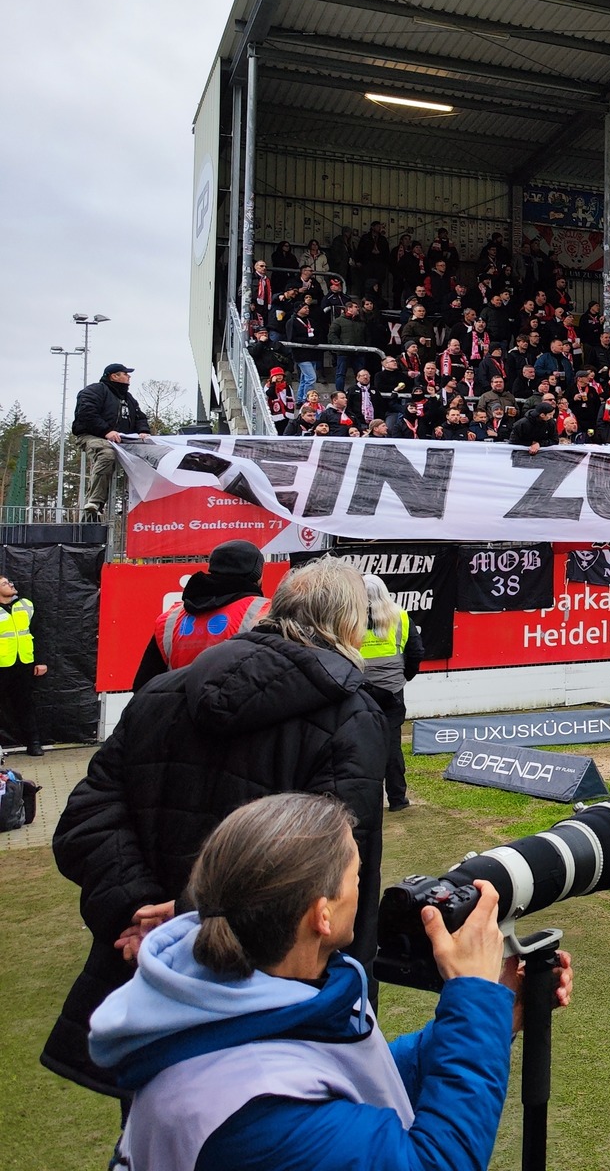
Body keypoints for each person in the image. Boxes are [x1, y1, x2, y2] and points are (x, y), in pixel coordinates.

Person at [44, 558, 387, 1099]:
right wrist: (160, 913)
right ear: (350, 628)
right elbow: (329, 867)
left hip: (156, 979)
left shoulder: (160, 692)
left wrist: (156, 919)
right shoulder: (352, 716)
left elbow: (89, 815)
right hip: (276, 997)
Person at [87, 792, 572, 1171]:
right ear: (321, 915)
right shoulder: (256, 1113)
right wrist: (473, 992)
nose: (364, 886)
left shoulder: (222, 995)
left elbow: (354, 1083)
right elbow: (433, 1162)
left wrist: (493, 1015)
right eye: (356, 874)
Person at [132, 541, 270, 691]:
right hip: (238, 709)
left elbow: (144, 686)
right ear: (258, 574)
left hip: (180, 710)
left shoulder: (170, 620)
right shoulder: (265, 612)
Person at [358, 574, 425, 813]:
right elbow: (416, 653)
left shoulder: (349, 618)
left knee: (360, 746)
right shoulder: (402, 616)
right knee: (392, 747)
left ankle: (367, 802)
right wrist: (403, 677)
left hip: (359, 690)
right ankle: (397, 799)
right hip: (393, 690)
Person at [71, 362, 151, 521]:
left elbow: (140, 417)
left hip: (121, 440)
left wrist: (143, 432)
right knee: (107, 454)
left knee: (150, 456)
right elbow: (87, 413)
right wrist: (106, 431)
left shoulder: (128, 398)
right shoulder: (94, 391)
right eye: (125, 373)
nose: (129, 376)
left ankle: (144, 505)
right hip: (92, 436)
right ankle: (96, 501)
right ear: (114, 376)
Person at [0, 574, 45, 755]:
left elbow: (39, 634)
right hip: (2, 665)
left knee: (25, 704)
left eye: (9, 581)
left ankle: (33, 743)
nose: (10, 584)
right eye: (5, 583)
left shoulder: (26, 605)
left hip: (24, 664)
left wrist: (41, 660)